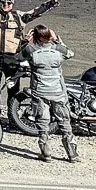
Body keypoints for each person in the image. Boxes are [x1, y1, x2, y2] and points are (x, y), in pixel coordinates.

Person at [25, 24, 77, 163]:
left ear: (35, 37)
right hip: (58, 91)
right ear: (49, 36)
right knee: (64, 121)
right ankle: (72, 154)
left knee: (43, 121)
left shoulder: (32, 51)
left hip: (40, 92)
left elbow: (18, 56)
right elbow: (70, 53)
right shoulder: (58, 51)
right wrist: (57, 40)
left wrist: (26, 41)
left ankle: (46, 152)